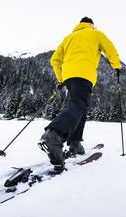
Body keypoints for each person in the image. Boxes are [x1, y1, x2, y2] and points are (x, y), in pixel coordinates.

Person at [38, 17, 121, 174]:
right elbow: (110, 49)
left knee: (80, 108)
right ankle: (53, 135)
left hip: (69, 76)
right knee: (78, 105)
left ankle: (75, 144)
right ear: (91, 24)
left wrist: (61, 79)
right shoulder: (96, 34)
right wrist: (116, 66)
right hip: (85, 75)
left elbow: (54, 60)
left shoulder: (68, 38)